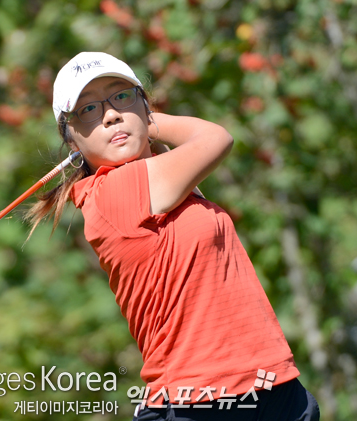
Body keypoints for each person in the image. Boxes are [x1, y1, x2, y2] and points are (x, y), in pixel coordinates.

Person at [26, 52, 320, 421]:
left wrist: (142, 119)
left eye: (121, 96)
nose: (111, 115)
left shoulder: (160, 177)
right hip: (201, 404)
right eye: (87, 110)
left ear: (142, 99)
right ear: (72, 141)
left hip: (271, 387)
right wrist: (147, 120)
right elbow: (216, 137)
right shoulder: (114, 190)